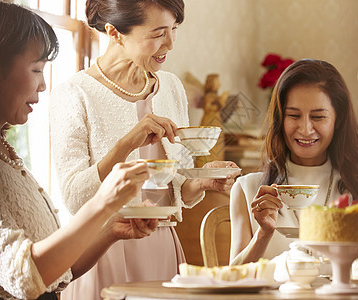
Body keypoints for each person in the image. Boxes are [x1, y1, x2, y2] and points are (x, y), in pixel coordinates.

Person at [49, 0, 240, 298]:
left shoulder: (171, 88)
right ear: (114, 33)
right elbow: (75, 198)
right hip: (100, 251)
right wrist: (126, 144)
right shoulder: (74, 94)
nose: (171, 43)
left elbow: (177, 191)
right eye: (158, 33)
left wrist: (200, 182)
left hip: (162, 245)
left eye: (174, 29)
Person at [0, 2, 158, 299]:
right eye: (36, 69)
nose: (44, 85)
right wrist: (102, 201)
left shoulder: (4, 155)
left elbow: (57, 271)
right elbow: (26, 277)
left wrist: (112, 229)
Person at [229, 59, 358, 265]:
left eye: (318, 117)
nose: (305, 129)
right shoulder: (247, 189)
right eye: (293, 115)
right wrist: (263, 234)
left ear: (338, 120)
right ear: (280, 119)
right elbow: (233, 280)